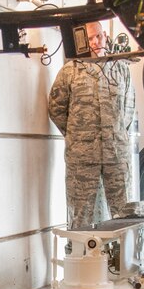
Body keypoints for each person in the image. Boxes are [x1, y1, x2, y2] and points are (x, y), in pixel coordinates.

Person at [48, 20, 136, 228]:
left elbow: (129, 110)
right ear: (82, 42)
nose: (96, 42)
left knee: (124, 214)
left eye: (99, 36)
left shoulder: (120, 69)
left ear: (105, 35)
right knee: (80, 215)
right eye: (89, 39)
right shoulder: (70, 71)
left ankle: (121, 259)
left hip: (116, 155)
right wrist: (76, 135)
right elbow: (56, 109)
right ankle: (79, 258)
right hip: (82, 157)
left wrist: (116, 134)